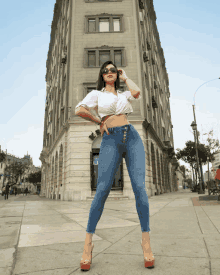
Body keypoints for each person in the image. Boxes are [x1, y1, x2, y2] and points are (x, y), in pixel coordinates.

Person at [75, 61, 154, 271]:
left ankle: (145, 241)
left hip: (132, 137)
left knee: (139, 188)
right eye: (106, 70)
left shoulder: (123, 94)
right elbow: (79, 110)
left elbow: (136, 93)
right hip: (110, 139)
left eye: (113, 70)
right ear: (102, 75)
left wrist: (125, 77)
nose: (110, 72)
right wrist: (98, 121)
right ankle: (88, 244)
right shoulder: (97, 95)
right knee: (102, 189)